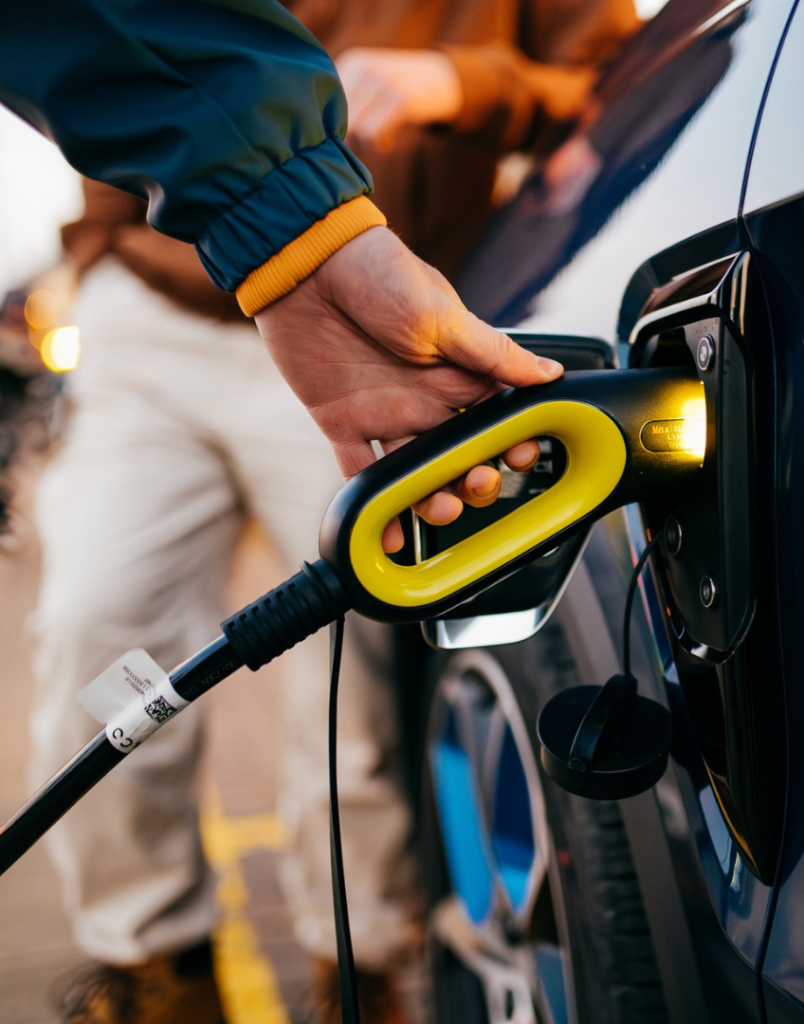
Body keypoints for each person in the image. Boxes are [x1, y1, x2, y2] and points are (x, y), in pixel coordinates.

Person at [0, 0, 638, 1021]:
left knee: (352, 662)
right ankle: (152, 958)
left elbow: (627, 90)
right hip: (158, 314)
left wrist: (465, 85)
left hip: (365, 319)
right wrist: (99, 252)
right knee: (95, 625)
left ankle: (362, 950)